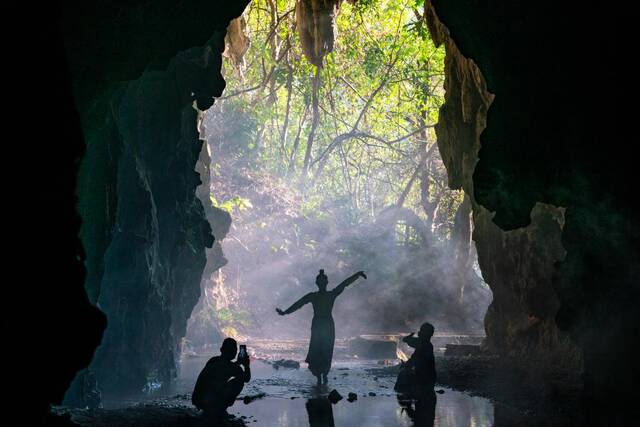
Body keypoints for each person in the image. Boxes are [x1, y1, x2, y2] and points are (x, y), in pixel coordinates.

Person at [276, 269, 367, 386]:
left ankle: (321, 375)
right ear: (322, 283)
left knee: (321, 349)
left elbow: (344, 284)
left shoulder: (319, 295)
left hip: (322, 324)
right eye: (321, 282)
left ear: (321, 283)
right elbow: (298, 304)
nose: (322, 284)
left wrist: (357, 275)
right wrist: (285, 312)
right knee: (321, 349)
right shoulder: (328, 295)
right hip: (324, 325)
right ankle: (321, 375)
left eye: (323, 282)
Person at [192, 338, 251, 416]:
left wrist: (238, 363)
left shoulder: (213, 360)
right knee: (238, 381)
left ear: (221, 350)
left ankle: (213, 407)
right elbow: (246, 378)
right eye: (235, 349)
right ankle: (219, 408)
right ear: (235, 353)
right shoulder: (233, 368)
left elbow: (225, 368)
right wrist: (247, 366)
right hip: (209, 403)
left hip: (198, 400)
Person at [395, 322, 436, 393]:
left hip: (423, 379)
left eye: (421, 331)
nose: (419, 333)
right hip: (429, 379)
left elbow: (406, 340)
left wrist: (407, 365)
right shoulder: (427, 345)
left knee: (403, 375)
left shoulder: (423, 344)